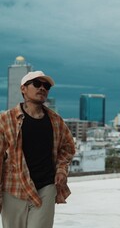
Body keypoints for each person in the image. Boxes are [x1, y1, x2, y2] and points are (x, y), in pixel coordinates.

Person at [0, 71, 76, 228]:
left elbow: (67, 147)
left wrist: (61, 170)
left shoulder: (56, 120)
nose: (42, 88)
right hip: (14, 187)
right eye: (36, 84)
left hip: (46, 187)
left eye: (46, 86)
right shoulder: (7, 119)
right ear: (23, 89)